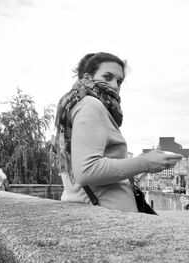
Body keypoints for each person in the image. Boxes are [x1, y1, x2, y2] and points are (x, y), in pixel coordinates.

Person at [55, 52, 182, 212]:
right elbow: (86, 170)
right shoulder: (90, 105)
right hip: (105, 218)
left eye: (119, 81)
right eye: (107, 77)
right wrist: (146, 162)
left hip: (102, 214)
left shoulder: (81, 104)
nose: (115, 85)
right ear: (87, 78)